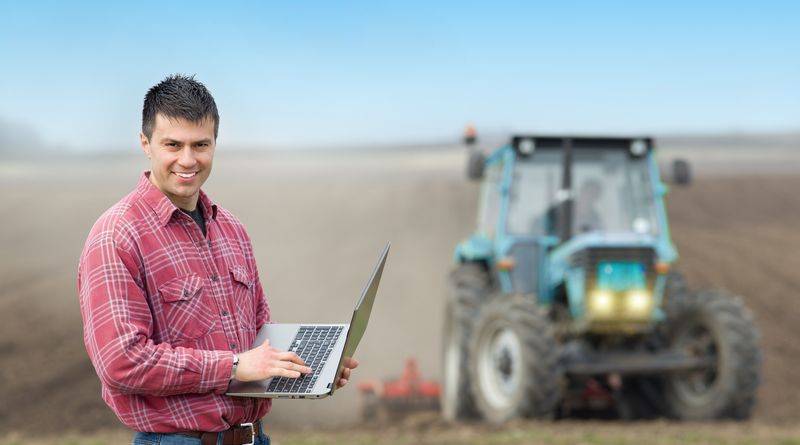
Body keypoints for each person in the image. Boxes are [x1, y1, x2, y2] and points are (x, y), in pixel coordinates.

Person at [77, 74, 359, 445]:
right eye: (172, 145)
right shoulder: (117, 235)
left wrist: (310, 368)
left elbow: (257, 339)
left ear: (215, 144)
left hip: (253, 438)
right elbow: (122, 361)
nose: (188, 160)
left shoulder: (233, 231)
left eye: (201, 144)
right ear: (146, 143)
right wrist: (236, 366)